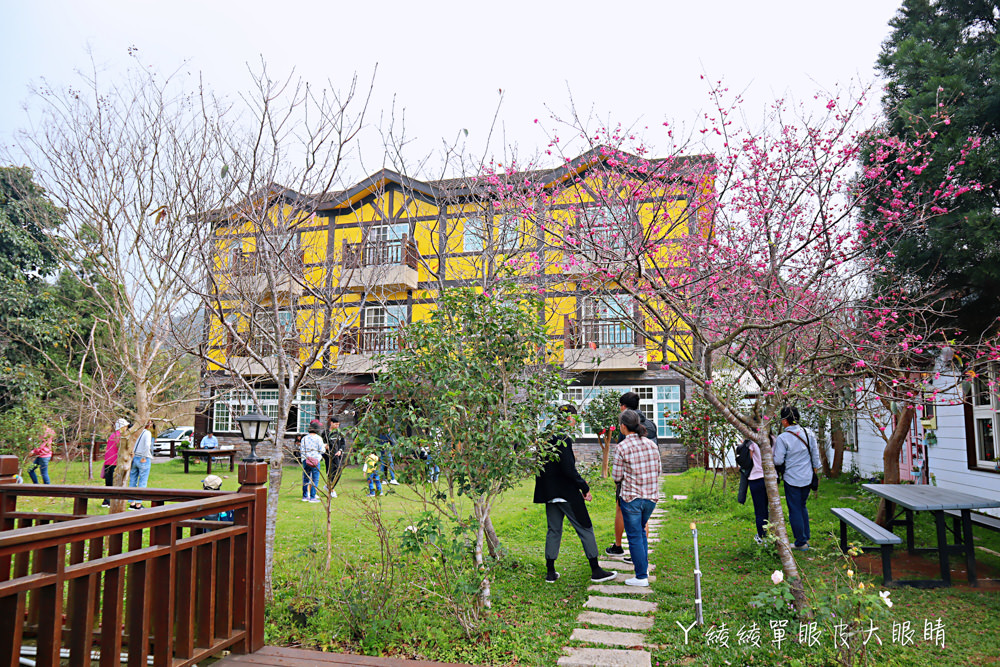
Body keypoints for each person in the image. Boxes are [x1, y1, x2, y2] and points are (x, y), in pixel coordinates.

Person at [534, 405, 616, 585]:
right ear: (571, 418)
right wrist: (584, 487)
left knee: (553, 530)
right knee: (585, 527)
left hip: (550, 493)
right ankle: (596, 570)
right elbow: (568, 469)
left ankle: (550, 572)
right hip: (566, 492)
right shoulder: (563, 438)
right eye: (575, 419)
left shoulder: (545, 436)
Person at [606, 391, 658, 560]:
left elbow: (622, 454)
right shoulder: (650, 424)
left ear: (623, 407)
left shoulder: (626, 426)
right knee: (644, 517)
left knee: (621, 509)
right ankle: (642, 550)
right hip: (648, 479)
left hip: (629, 480)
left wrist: (617, 482)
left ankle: (619, 546)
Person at [613, 409, 661, 587]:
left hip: (632, 498)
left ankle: (641, 576)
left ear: (624, 427)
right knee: (640, 532)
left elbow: (616, 476)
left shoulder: (623, 447)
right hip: (650, 498)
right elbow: (658, 471)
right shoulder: (651, 444)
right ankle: (643, 568)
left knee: (634, 536)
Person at [773, 406, 821, 551]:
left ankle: (800, 542)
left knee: (794, 509)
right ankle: (805, 537)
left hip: (791, 478)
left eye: (782, 420)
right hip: (807, 477)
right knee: (802, 506)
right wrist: (815, 471)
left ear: (786, 421)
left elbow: (778, 460)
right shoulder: (808, 433)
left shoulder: (783, 438)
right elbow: (815, 455)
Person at [738, 438, 769, 543]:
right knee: (770, 509)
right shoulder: (772, 438)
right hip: (771, 478)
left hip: (756, 477)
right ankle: (770, 535)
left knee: (760, 511)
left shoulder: (753, 442)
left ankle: (762, 537)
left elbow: (748, 461)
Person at [128, 420, 155, 510]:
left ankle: (132, 502)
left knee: (133, 480)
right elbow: (147, 445)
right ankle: (138, 504)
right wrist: (144, 456)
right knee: (142, 481)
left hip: (135, 457)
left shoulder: (136, 432)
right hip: (143, 458)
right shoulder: (147, 433)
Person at [102, 418, 128, 507]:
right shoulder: (119, 436)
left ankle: (106, 500)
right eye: (125, 426)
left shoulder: (112, 435)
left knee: (108, 482)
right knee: (114, 482)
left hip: (108, 461)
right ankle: (110, 500)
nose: (126, 428)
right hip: (114, 461)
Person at [300, 420, 325, 503]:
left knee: (305, 478)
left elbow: (301, 450)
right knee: (315, 479)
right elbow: (322, 450)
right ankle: (313, 497)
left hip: (306, 460)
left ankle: (305, 496)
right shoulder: (319, 439)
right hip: (315, 461)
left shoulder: (304, 438)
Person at [323, 415, 346, 498]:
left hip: (337, 456)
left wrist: (340, 450)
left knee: (338, 472)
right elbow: (322, 443)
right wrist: (325, 446)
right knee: (330, 472)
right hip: (328, 456)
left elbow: (343, 444)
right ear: (331, 423)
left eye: (338, 425)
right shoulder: (325, 433)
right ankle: (331, 489)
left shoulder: (339, 433)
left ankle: (330, 487)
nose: (337, 426)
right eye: (336, 424)